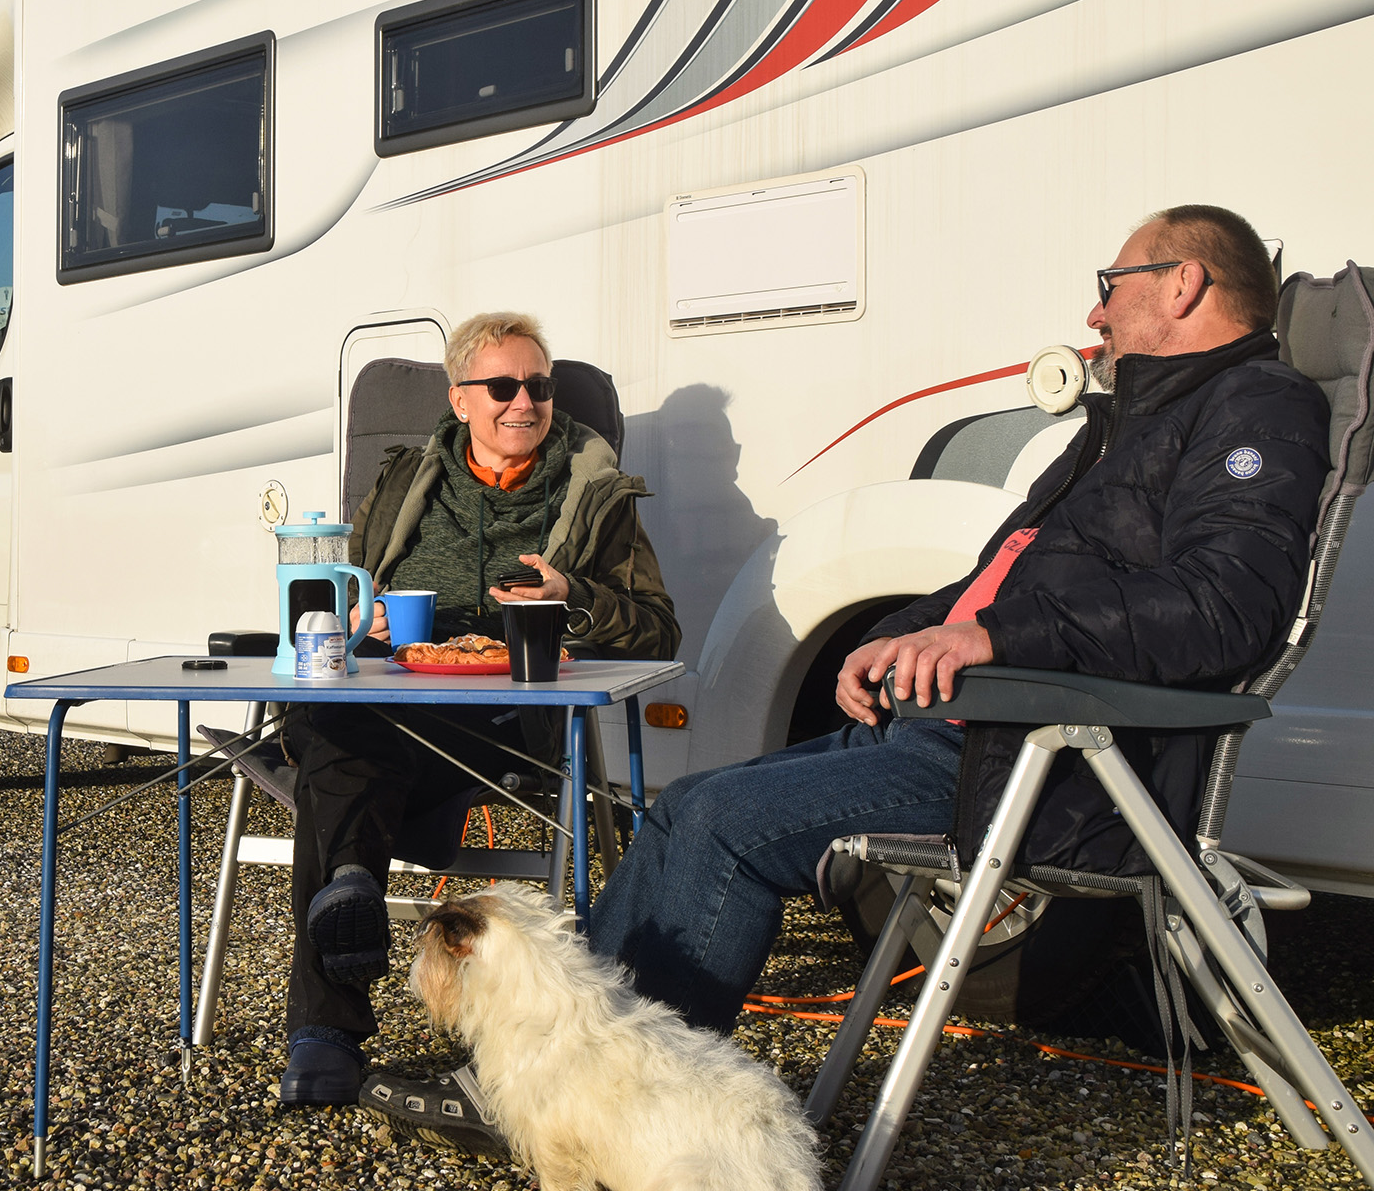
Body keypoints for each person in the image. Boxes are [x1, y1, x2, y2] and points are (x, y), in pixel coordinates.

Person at [371, 204, 1330, 1149]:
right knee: (681, 804)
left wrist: (996, 638)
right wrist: (906, 632)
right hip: (970, 725)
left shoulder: (1260, 410)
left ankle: (606, 1103)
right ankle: (542, 1083)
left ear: (1185, 283)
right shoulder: (1128, 422)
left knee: (722, 827)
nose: (1094, 315)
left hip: (1046, 751)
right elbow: (990, 579)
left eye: (1110, 287)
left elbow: (1226, 608)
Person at [278, 311, 680, 1106]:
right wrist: (366, 623)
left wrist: (574, 596)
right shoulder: (405, 481)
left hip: (504, 713)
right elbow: (337, 601)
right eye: (502, 386)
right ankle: (350, 891)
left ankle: (327, 1020)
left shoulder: (593, 490)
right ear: (459, 399)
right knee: (336, 716)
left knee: (338, 759)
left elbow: (659, 627)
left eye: (537, 385)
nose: (523, 402)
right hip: (393, 689)